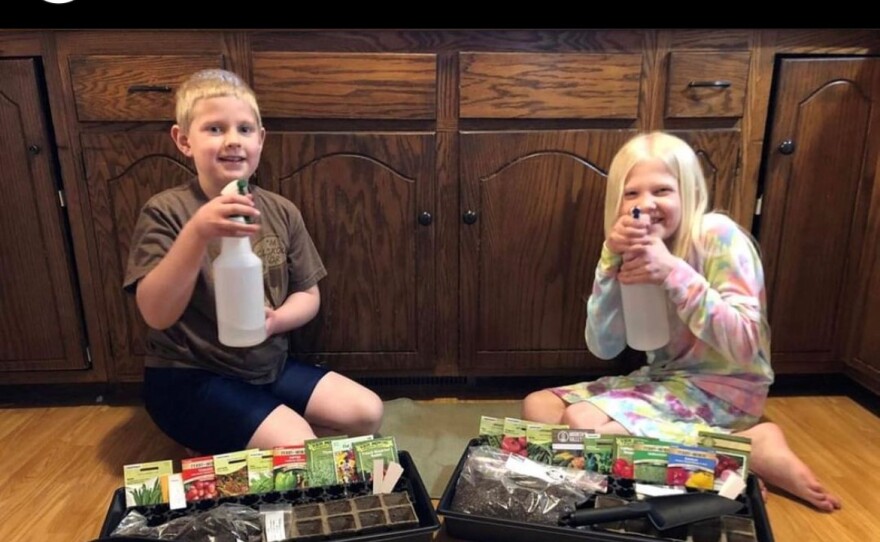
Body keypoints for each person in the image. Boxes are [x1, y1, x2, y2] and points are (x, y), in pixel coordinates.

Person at [522, 132, 841, 512]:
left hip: (728, 387)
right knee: (538, 406)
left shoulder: (717, 236)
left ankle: (738, 456)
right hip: (664, 380)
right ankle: (703, 456)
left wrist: (673, 272)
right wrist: (609, 261)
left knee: (580, 421)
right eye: (632, 193)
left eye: (661, 190)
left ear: (686, 192)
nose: (646, 204)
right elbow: (605, 346)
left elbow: (745, 343)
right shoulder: (629, 250)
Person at [124, 69, 383, 455]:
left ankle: (250, 432)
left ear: (260, 140)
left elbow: (308, 294)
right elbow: (156, 313)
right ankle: (243, 435)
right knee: (300, 444)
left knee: (367, 412)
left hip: (265, 369)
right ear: (183, 140)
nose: (232, 141)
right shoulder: (168, 211)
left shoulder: (280, 210)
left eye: (245, 129)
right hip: (188, 377)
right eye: (214, 129)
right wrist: (197, 234)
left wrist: (276, 321)